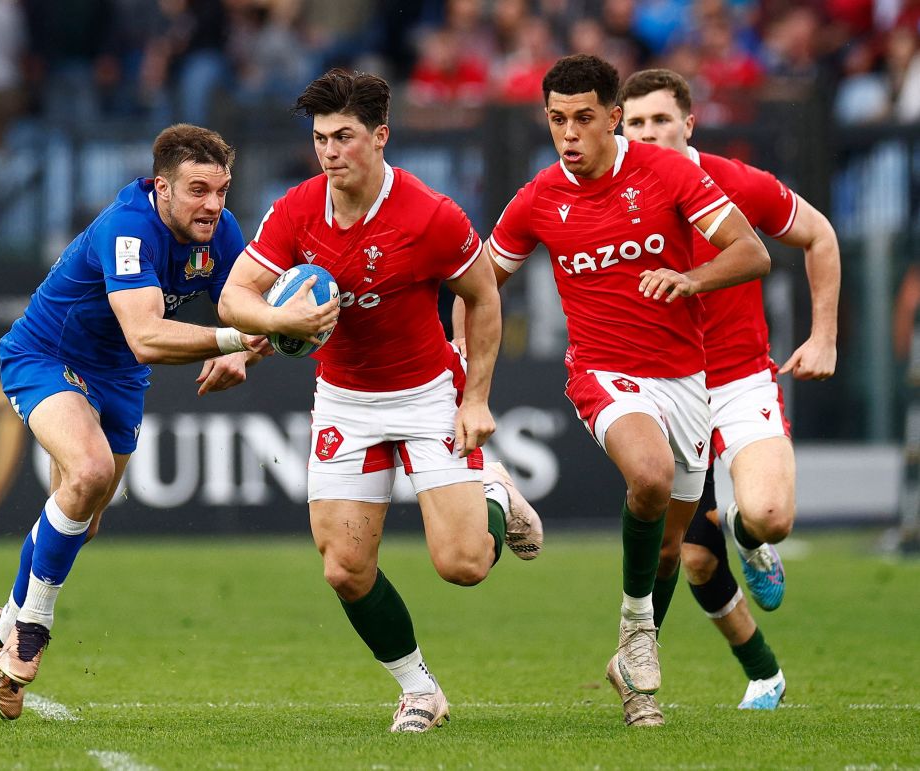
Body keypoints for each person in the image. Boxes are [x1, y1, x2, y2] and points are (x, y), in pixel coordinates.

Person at [217, 69, 543, 734]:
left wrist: (476, 398)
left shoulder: (430, 214)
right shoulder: (297, 209)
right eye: (319, 138)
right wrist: (268, 329)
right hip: (344, 399)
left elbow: (482, 296)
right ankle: (420, 689)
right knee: (343, 569)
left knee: (464, 564)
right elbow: (234, 295)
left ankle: (496, 492)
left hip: (428, 394)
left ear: (381, 136)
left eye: (344, 136)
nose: (330, 151)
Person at [461, 54, 770, 727]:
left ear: (612, 117)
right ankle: (638, 633)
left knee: (669, 548)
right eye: (556, 120)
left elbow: (753, 252)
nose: (568, 133)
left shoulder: (669, 173)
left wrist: (692, 279)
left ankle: (630, 662)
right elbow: (478, 283)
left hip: (687, 378)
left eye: (581, 118)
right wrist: (468, 379)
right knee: (650, 475)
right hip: (604, 372)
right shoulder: (540, 196)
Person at [0, 123, 270, 720]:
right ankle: (31, 627)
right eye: (197, 190)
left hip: (121, 382)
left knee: (83, 521)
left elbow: (251, 310)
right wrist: (235, 338)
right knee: (87, 470)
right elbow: (145, 336)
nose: (213, 205)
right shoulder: (128, 227)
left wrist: (243, 348)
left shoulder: (223, 233)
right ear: (162, 187)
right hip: (48, 357)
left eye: (221, 190)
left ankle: (5, 617)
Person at [620, 67, 840, 712]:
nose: (649, 132)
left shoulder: (733, 182)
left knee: (769, 519)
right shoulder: (610, 195)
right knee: (685, 558)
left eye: (662, 119)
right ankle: (758, 674)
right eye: (636, 122)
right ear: (619, 129)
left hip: (740, 378)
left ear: (689, 124)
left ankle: (747, 536)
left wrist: (822, 335)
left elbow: (819, 235)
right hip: (664, 388)